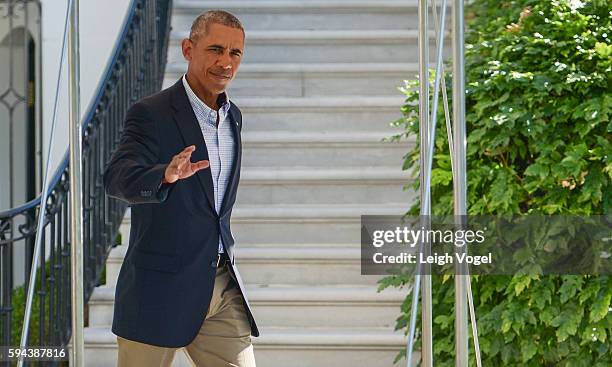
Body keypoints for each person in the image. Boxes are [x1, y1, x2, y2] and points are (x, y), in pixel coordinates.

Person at [103, 10, 258, 367]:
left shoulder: (233, 117)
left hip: (219, 284)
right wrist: (164, 175)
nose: (225, 62)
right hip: (159, 290)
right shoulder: (152, 113)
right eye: (216, 49)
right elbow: (116, 177)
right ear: (188, 49)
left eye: (235, 53)